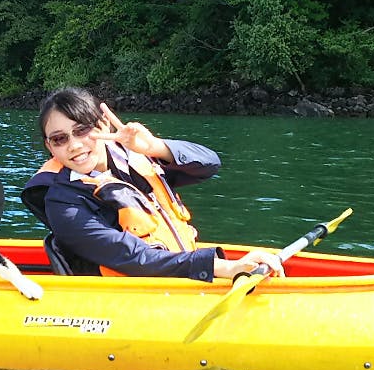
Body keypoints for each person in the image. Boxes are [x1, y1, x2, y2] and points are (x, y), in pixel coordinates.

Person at [21, 86, 284, 281]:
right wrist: (226, 268)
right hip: (130, 300)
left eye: (82, 130)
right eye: (59, 139)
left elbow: (209, 163)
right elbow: (134, 257)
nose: (74, 145)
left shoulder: (135, 160)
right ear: (49, 146)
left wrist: (154, 146)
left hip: (180, 273)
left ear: (102, 125)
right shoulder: (62, 203)